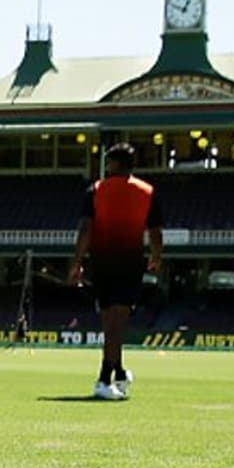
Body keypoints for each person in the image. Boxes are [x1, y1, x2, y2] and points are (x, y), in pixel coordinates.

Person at [68, 142, 163, 401]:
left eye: (109, 162)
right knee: (117, 323)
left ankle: (117, 374)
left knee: (111, 322)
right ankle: (104, 378)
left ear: (116, 164)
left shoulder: (96, 190)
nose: (107, 166)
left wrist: (77, 262)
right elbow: (155, 231)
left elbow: (86, 229)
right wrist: (156, 257)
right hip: (130, 262)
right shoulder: (147, 191)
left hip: (102, 262)